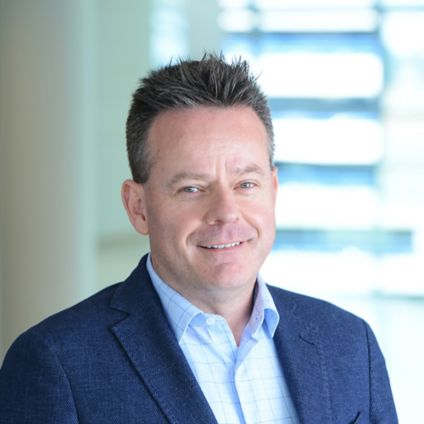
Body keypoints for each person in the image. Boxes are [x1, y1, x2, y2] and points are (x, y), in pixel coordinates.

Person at [0, 54, 397, 424]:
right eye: (192, 188)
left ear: (273, 190)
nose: (225, 211)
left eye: (245, 184)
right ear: (138, 207)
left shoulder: (349, 344)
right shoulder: (56, 364)